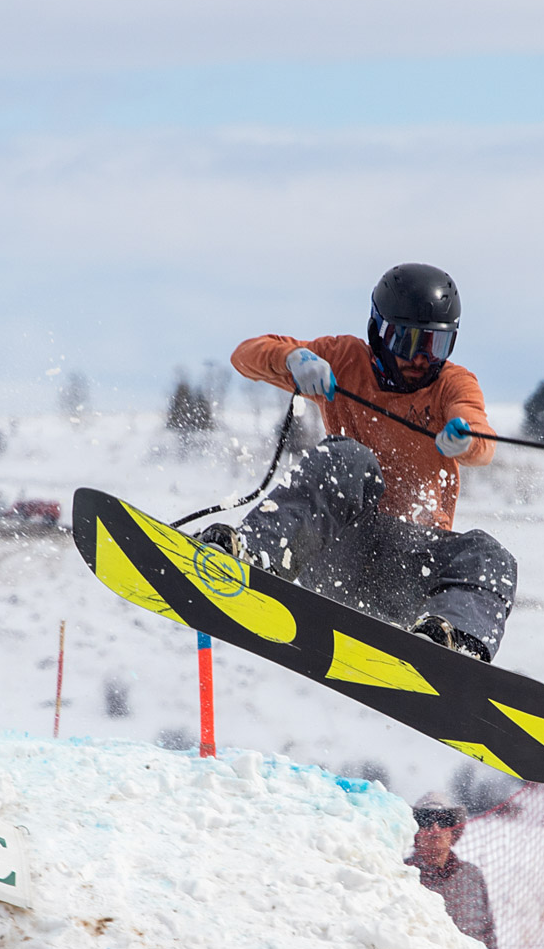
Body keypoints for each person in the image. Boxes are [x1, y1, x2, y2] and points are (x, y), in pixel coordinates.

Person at [199, 263, 514, 661]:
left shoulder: (452, 384)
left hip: (406, 572)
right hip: (333, 550)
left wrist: (465, 437)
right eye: (408, 342)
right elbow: (244, 356)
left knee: (490, 556)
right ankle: (251, 557)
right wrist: (294, 358)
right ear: (379, 333)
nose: (420, 359)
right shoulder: (345, 359)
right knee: (347, 457)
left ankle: (452, 644)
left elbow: (481, 438)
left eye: (435, 346)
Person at [406, 792, 497, 949]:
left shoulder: (472, 875)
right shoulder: (401, 875)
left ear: (454, 831)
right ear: (415, 832)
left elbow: (488, 932)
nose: (435, 828)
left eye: (442, 821)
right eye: (425, 821)